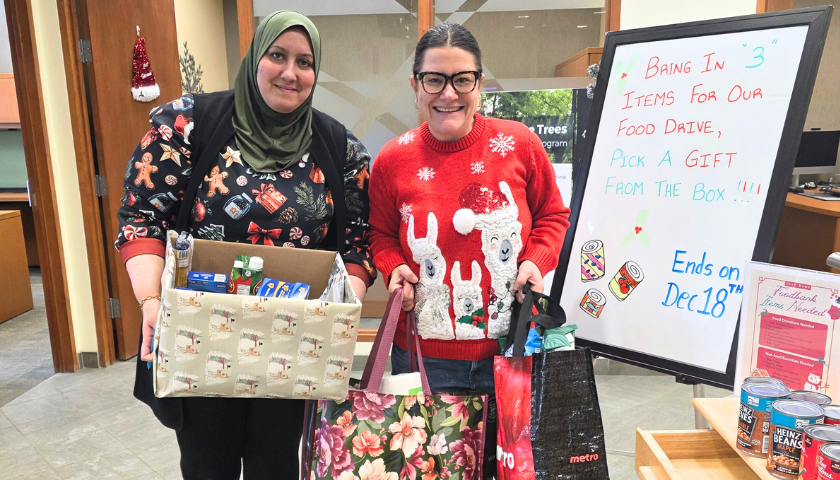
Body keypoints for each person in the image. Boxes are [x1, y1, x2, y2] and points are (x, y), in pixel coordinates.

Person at [115, 11, 375, 479]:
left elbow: (359, 241)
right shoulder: (189, 125)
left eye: (305, 62)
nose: (291, 73)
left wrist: (344, 305)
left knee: (275, 464)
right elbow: (142, 216)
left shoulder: (337, 144)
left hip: (294, 338)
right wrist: (151, 301)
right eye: (277, 55)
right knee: (205, 464)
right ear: (255, 57)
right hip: (201, 330)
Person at [368, 23, 570, 393]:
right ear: (415, 86)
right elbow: (379, 234)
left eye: (462, 79)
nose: (448, 93)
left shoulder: (519, 144)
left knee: (509, 453)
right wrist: (393, 265)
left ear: (478, 85)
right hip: (422, 357)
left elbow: (553, 216)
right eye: (434, 80)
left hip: (513, 347)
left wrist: (536, 261)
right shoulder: (392, 159)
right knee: (426, 453)